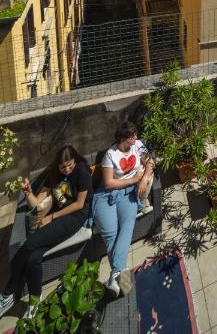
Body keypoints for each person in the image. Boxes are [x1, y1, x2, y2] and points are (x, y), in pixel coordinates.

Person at [0, 145, 92, 321]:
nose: (67, 169)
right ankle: (35, 300)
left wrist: (52, 217)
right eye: (63, 166)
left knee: (30, 244)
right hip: (57, 217)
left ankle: (8, 294)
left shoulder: (82, 171)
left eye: (70, 165)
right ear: (57, 165)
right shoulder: (54, 174)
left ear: (75, 160)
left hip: (75, 217)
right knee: (33, 258)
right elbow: (37, 204)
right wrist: (28, 193)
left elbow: (80, 204)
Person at [93, 122, 154, 297]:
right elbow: (108, 183)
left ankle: (115, 278)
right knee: (112, 235)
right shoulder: (110, 155)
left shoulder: (138, 145)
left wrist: (143, 180)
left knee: (126, 228)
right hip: (107, 195)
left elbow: (150, 163)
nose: (136, 138)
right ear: (123, 138)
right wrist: (134, 180)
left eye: (136, 134)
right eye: (132, 135)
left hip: (128, 194)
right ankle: (122, 277)